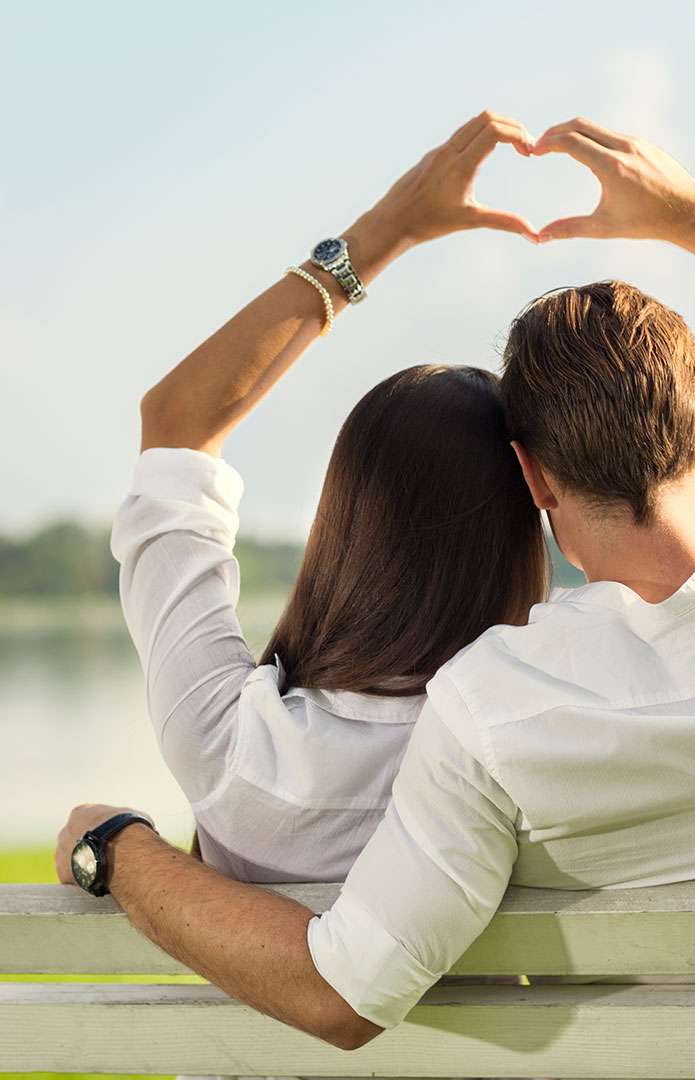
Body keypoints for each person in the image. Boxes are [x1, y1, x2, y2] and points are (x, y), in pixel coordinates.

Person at [57, 114, 695, 1053]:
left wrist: (115, 846)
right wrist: (689, 213)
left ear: (537, 480)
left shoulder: (496, 711)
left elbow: (346, 987)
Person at [100, 112, 548, 890]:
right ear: (520, 532)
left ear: (346, 524)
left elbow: (176, 427)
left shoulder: (231, 744)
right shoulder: (544, 751)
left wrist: (385, 232)